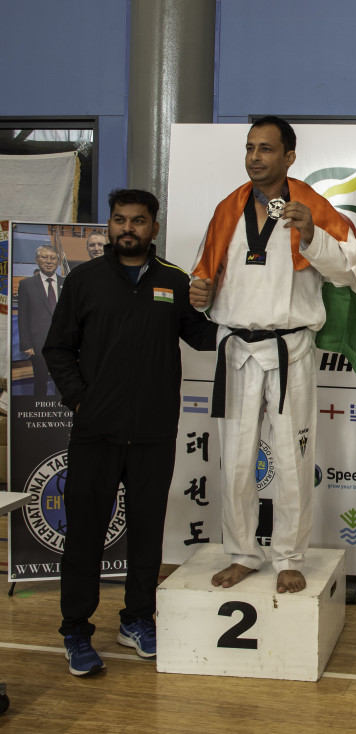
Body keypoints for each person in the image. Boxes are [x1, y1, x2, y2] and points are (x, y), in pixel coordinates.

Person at [43, 188, 219, 676]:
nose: (127, 228)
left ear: (153, 228)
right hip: (95, 432)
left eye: (137, 221)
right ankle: (76, 631)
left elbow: (203, 336)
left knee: (146, 534)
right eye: (120, 219)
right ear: (110, 225)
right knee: (84, 535)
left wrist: (231, 308)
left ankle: (138, 620)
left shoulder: (174, 281)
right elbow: (57, 348)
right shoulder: (84, 280)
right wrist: (81, 400)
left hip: (153, 434)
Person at [190, 116, 356, 595]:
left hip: (290, 349)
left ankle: (288, 556)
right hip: (236, 349)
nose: (255, 157)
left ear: (289, 156)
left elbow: (349, 271)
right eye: (250, 148)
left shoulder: (311, 207)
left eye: (266, 149)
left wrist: (311, 236)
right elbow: (204, 275)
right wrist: (199, 294)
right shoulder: (227, 209)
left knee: (292, 459)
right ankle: (243, 553)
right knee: (235, 461)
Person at [18, 245, 64, 396]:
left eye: (53, 258)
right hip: (38, 344)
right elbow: (23, 316)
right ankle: (39, 407)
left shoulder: (67, 283)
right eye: (44, 257)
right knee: (40, 381)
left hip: (63, 344)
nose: (49, 261)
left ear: (58, 262)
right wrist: (26, 344)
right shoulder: (26, 284)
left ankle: (60, 407)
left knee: (62, 381)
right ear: (37, 260)